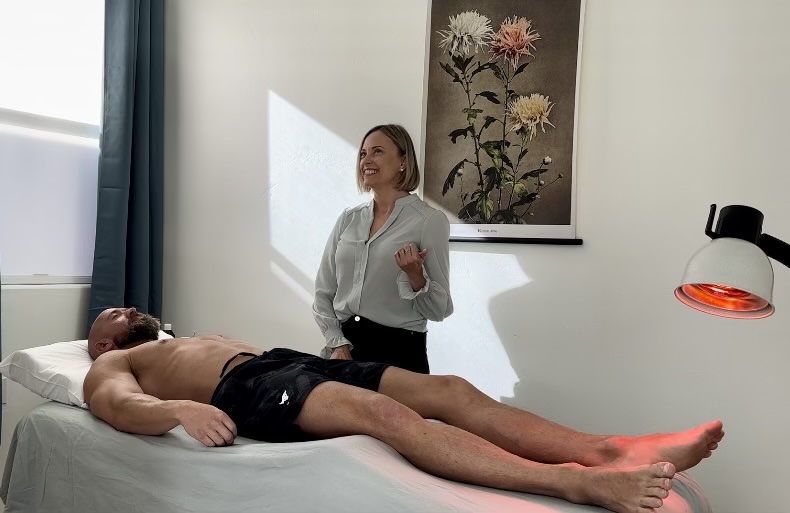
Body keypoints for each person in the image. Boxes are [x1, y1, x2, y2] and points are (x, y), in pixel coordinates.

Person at [84, 307, 724, 513]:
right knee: (384, 415)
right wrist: (179, 410)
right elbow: (120, 409)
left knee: (449, 390)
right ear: (102, 342)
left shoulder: (181, 336)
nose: (130, 309)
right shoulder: (110, 366)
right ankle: (577, 483)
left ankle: (610, 449)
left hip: (288, 360)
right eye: (114, 312)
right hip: (245, 388)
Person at [313, 124, 453, 374]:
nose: (366, 160)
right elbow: (323, 292)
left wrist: (416, 277)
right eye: (363, 154)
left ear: (403, 161)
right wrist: (337, 343)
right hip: (343, 353)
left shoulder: (429, 221)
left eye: (377, 151)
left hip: (399, 358)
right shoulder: (348, 219)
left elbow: (439, 310)